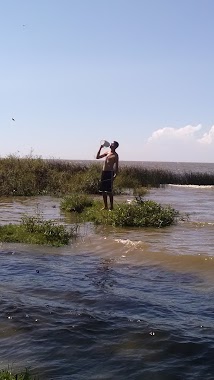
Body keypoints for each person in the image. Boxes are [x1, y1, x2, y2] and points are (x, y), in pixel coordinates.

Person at [96, 141, 119, 210]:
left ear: (115, 146)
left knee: (109, 191)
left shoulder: (115, 155)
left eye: (112, 144)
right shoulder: (107, 152)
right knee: (103, 190)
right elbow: (97, 157)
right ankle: (105, 206)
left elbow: (116, 166)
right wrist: (100, 148)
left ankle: (111, 207)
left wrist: (115, 175)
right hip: (104, 172)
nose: (111, 145)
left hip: (110, 172)